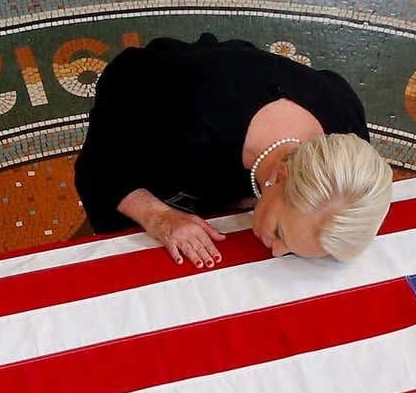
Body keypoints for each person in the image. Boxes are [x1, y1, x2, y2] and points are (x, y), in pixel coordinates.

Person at [75, 33, 393, 266]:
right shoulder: (188, 124)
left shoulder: (346, 133)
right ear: (279, 176)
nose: (277, 252)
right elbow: (98, 171)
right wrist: (158, 216)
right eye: (280, 233)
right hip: (143, 105)